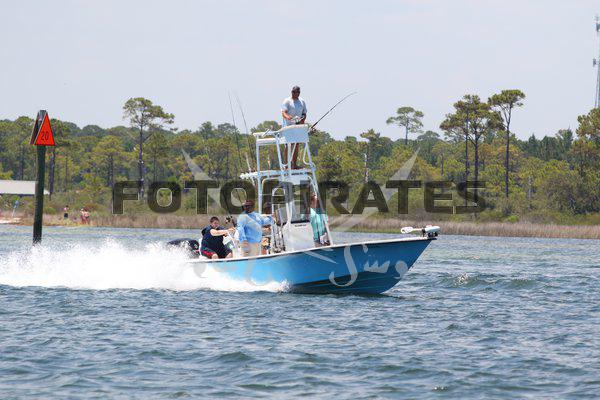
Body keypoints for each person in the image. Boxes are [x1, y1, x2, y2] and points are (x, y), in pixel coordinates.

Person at [281, 85, 307, 169]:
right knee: (288, 144)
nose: (294, 93)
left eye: (296, 92)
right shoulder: (287, 101)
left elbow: (304, 113)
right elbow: (283, 113)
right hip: (288, 127)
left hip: (297, 127)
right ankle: (287, 165)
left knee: (296, 144)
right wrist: (289, 118)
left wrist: (302, 119)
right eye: (293, 91)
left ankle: (294, 164)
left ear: (299, 93)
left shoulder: (302, 101)